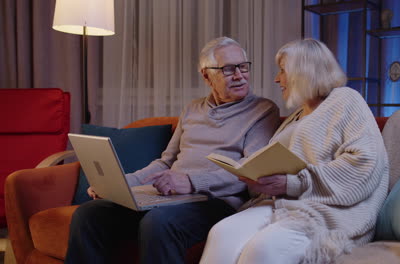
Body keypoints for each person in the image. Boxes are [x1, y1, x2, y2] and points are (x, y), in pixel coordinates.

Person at [64, 37, 280, 264]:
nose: (239, 76)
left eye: (243, 66)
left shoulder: (262, 111)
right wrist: (123, 184)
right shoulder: (192, 109)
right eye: (228, 69)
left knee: (158, 222)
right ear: (206, 75)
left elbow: (251, 172)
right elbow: (166, 162)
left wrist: (191, 181)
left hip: (217, 201)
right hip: (171, 197)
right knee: (89, 214)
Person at [200, 38, 389, 264]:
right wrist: (259, 179)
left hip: (326, 211)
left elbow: (364, 163)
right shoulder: (298, 115)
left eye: (282, 71)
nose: (277, 79)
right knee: (223, 232)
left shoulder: (346, 99)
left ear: (303, 71)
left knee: (262, 249)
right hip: (283, 204)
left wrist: (292, 183)